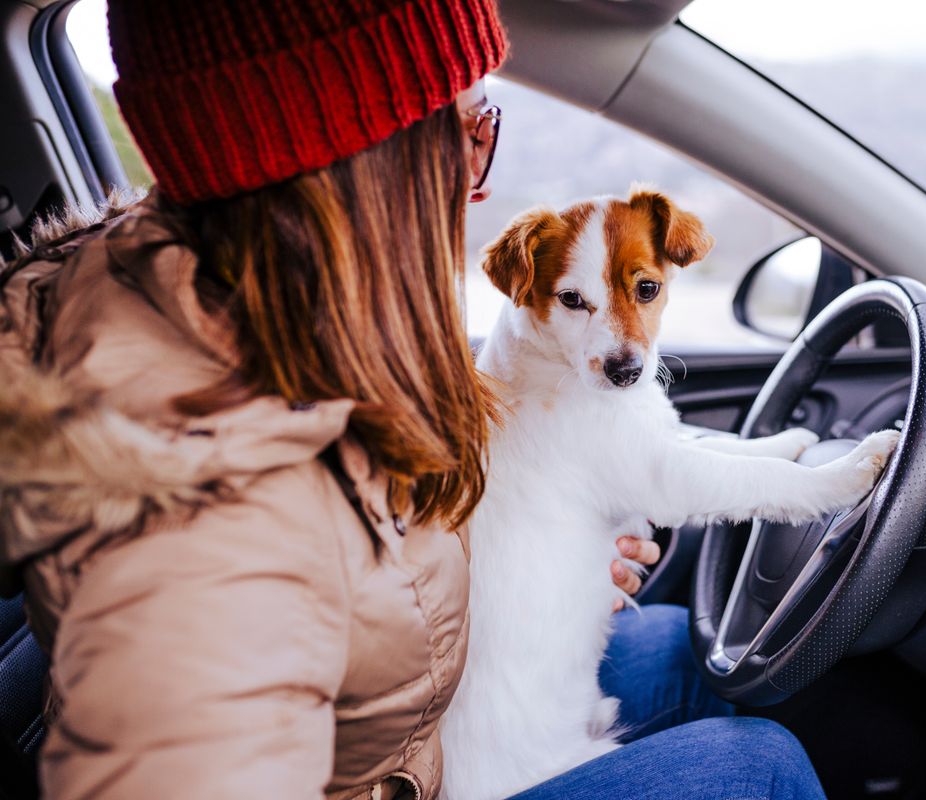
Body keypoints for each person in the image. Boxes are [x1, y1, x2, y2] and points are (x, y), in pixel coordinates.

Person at [0, 0, 826, 797]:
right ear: (367, 162)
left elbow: (359, 548)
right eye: (472, 132)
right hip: (407, 774)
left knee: (682, 653)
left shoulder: (297, 326)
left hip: (418, 725)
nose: (474, 178)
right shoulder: (202, 490)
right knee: (760, 766)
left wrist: (530, 568)